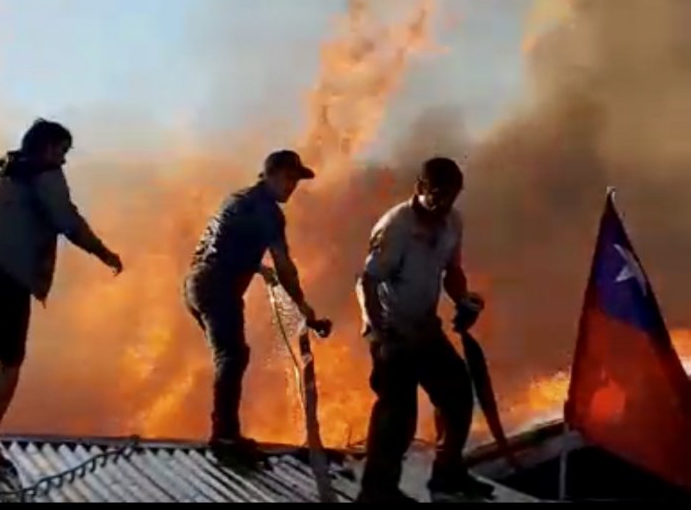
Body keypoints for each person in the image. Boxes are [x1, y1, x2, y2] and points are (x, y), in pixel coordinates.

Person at [0, 119, 123, 469]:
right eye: (62, 151)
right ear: (46, 148)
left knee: (3, 327)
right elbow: (67, 220)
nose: (64, 160)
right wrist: (104, 253)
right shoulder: (44, 172)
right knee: (12, 359)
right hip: (4, 272)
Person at [355, 157, 490, 503]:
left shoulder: (452, 223)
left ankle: (447, 474)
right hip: (394, 332)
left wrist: (464, 300)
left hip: (426, 328)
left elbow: (452, 271)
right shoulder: (396, 226)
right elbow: (367, 281)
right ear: (420, 189)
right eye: (439, 195)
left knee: (458, 394)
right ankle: (377, 493)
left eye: (453, 196)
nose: (445, 204)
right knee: (397, 415)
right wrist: (375, 331)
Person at [184, 149, 331, 460]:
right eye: (289, 178)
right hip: (217, 286)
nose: (293, 186)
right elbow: (284, 264)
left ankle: (225, 431)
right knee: (232, 355)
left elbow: (224, 243)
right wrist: (304, 307)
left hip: (196, 284)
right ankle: (224, 437)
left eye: (296, 180)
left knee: (230, 355)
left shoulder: (238, 198)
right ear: (271, 174)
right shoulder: (267, 211)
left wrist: (255, 267)